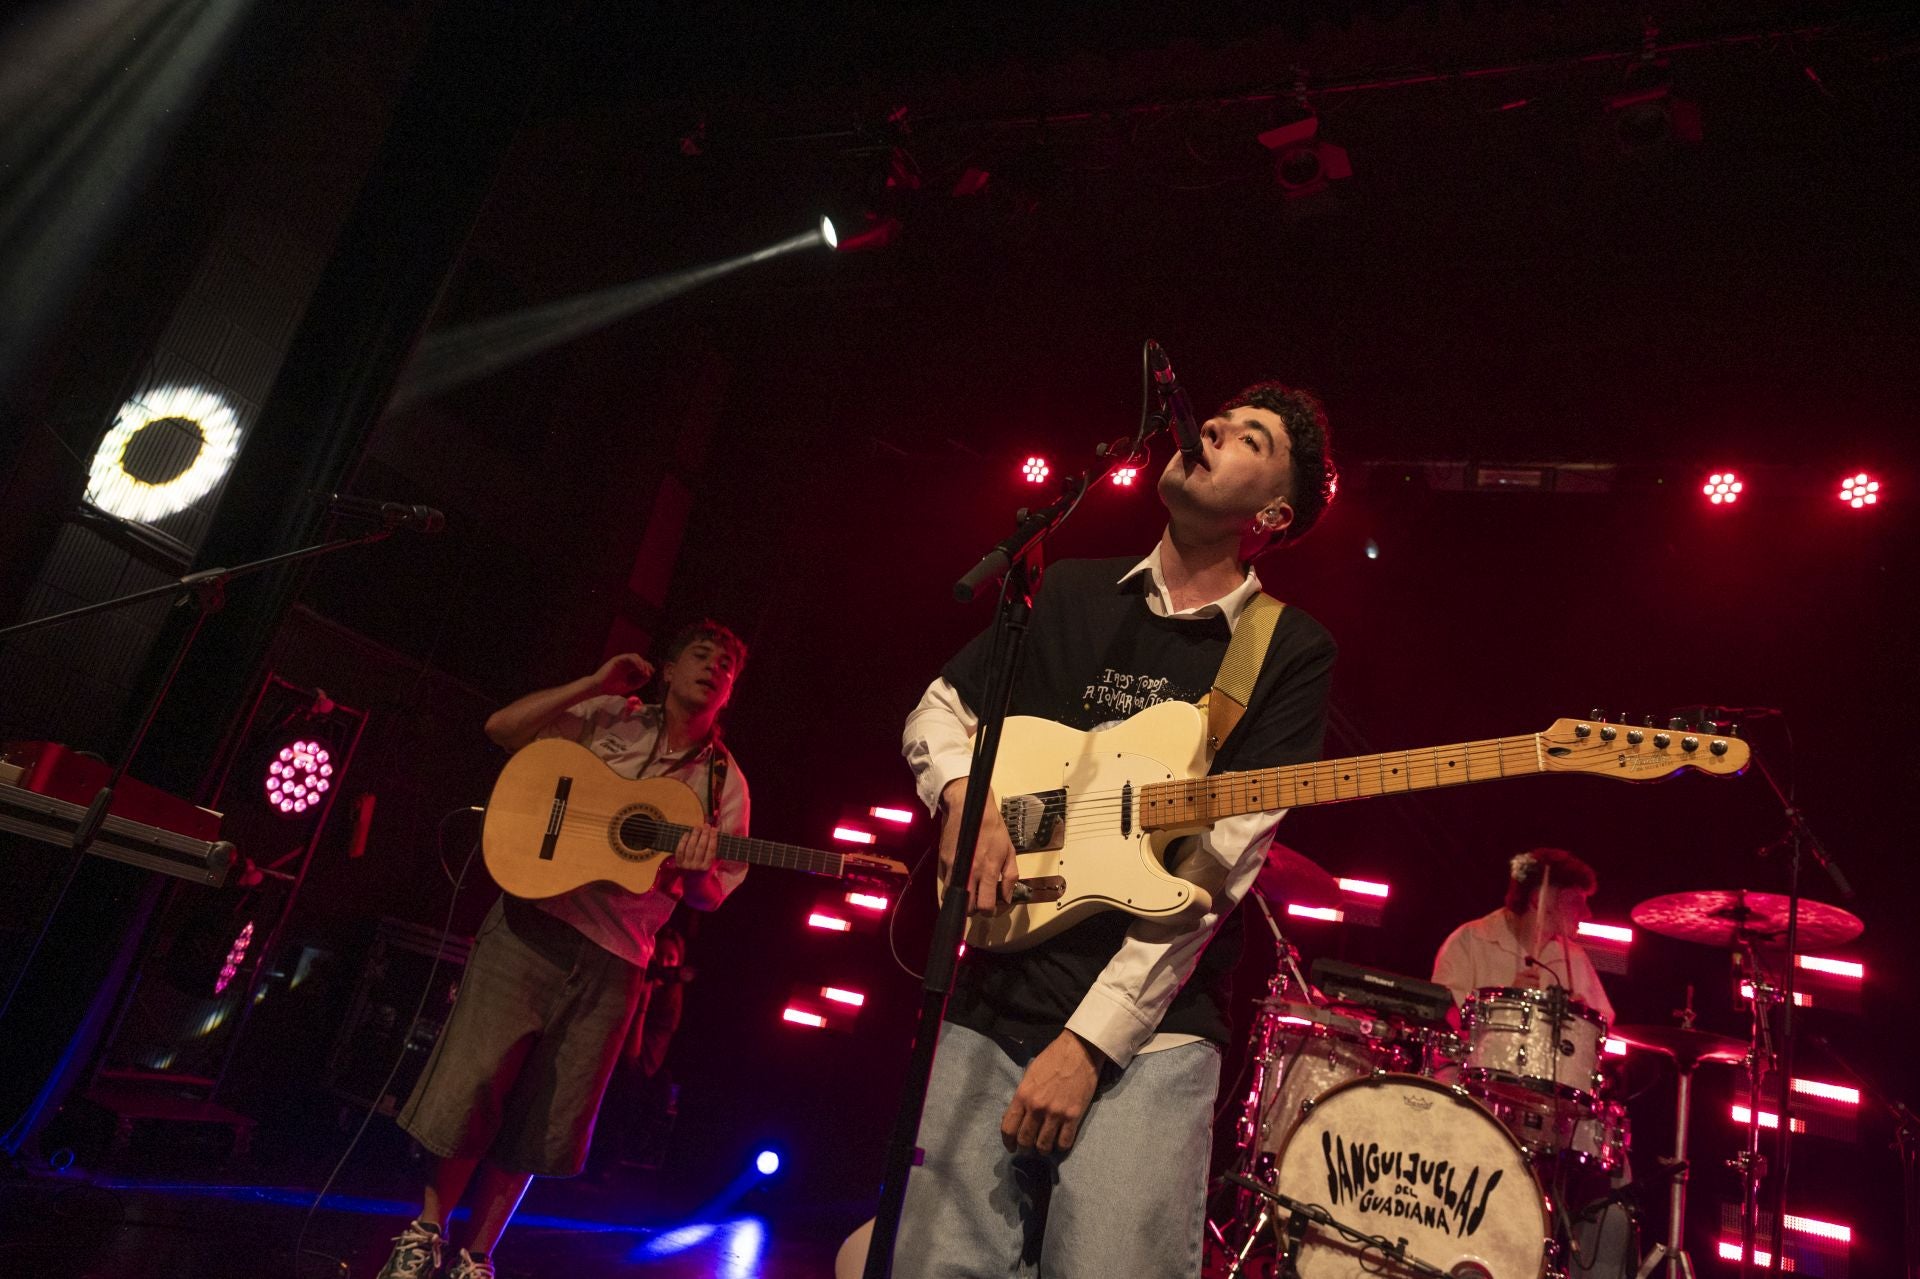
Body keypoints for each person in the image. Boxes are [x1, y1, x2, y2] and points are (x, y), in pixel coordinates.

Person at [894, 380, 1339, 1277]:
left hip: (1153, 1033)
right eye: (1219, 417)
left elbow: (1213, 880)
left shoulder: (1287, 650)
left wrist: (1087, 1045)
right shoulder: (1064, 589)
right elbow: (939, 710)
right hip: (991, 995)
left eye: (1250, 437)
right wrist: (964, 800)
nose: (1211, 425)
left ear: (1275, 513)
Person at [375, 621, 751, 1279]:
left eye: (727, 664)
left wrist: (693, 870)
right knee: (470, 1083)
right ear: (666, 667)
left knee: (546, 1117)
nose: (714, 665)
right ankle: (423, 1234)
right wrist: (594, 682)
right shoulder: (611, 713)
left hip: (617, 958)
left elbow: (709, 896)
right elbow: (501, 728)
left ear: (730, 693)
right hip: (529, 921)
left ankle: (476, 1256)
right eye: (701, 652)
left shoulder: (727, 786)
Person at [1430, 847, 1614, 1024]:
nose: (1586, 913)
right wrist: (1506, 1004)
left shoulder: (1574, 957)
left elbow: (1602, 1023)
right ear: (1540, 898)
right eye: (1575, 901)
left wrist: (1582, 1019)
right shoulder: (1470, 941)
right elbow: (1446, 1018)